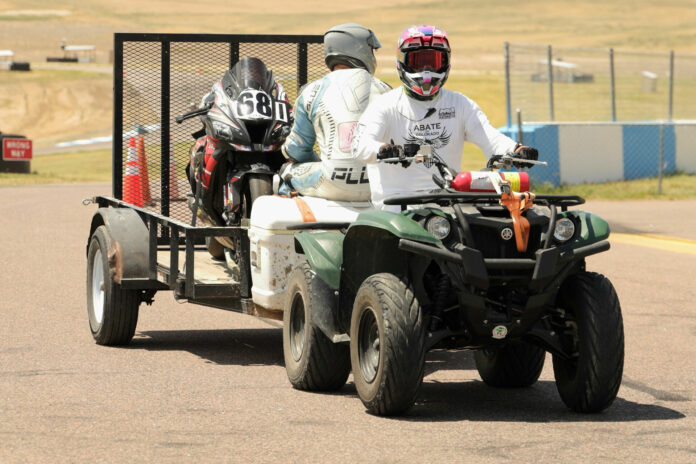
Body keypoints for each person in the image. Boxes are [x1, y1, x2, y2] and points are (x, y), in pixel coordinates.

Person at [352, 25, 539, 209]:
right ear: (402, 62)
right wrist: (384, 150)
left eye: (433, 62)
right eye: (418, 62)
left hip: (447, 203)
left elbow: (490, 138)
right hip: (397, 205)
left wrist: (515, 150)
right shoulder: (385, 105)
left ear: (446, 63)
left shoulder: (460, 103)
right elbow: (360, 146)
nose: (426, 70)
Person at [280, 23, 391, 201]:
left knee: (286, 172)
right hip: (379, 183)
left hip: (331, 183)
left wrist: (320, 163)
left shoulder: (312, 91)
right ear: (359, 49)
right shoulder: (385, 89)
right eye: (371, 49)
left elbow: (296, 149)